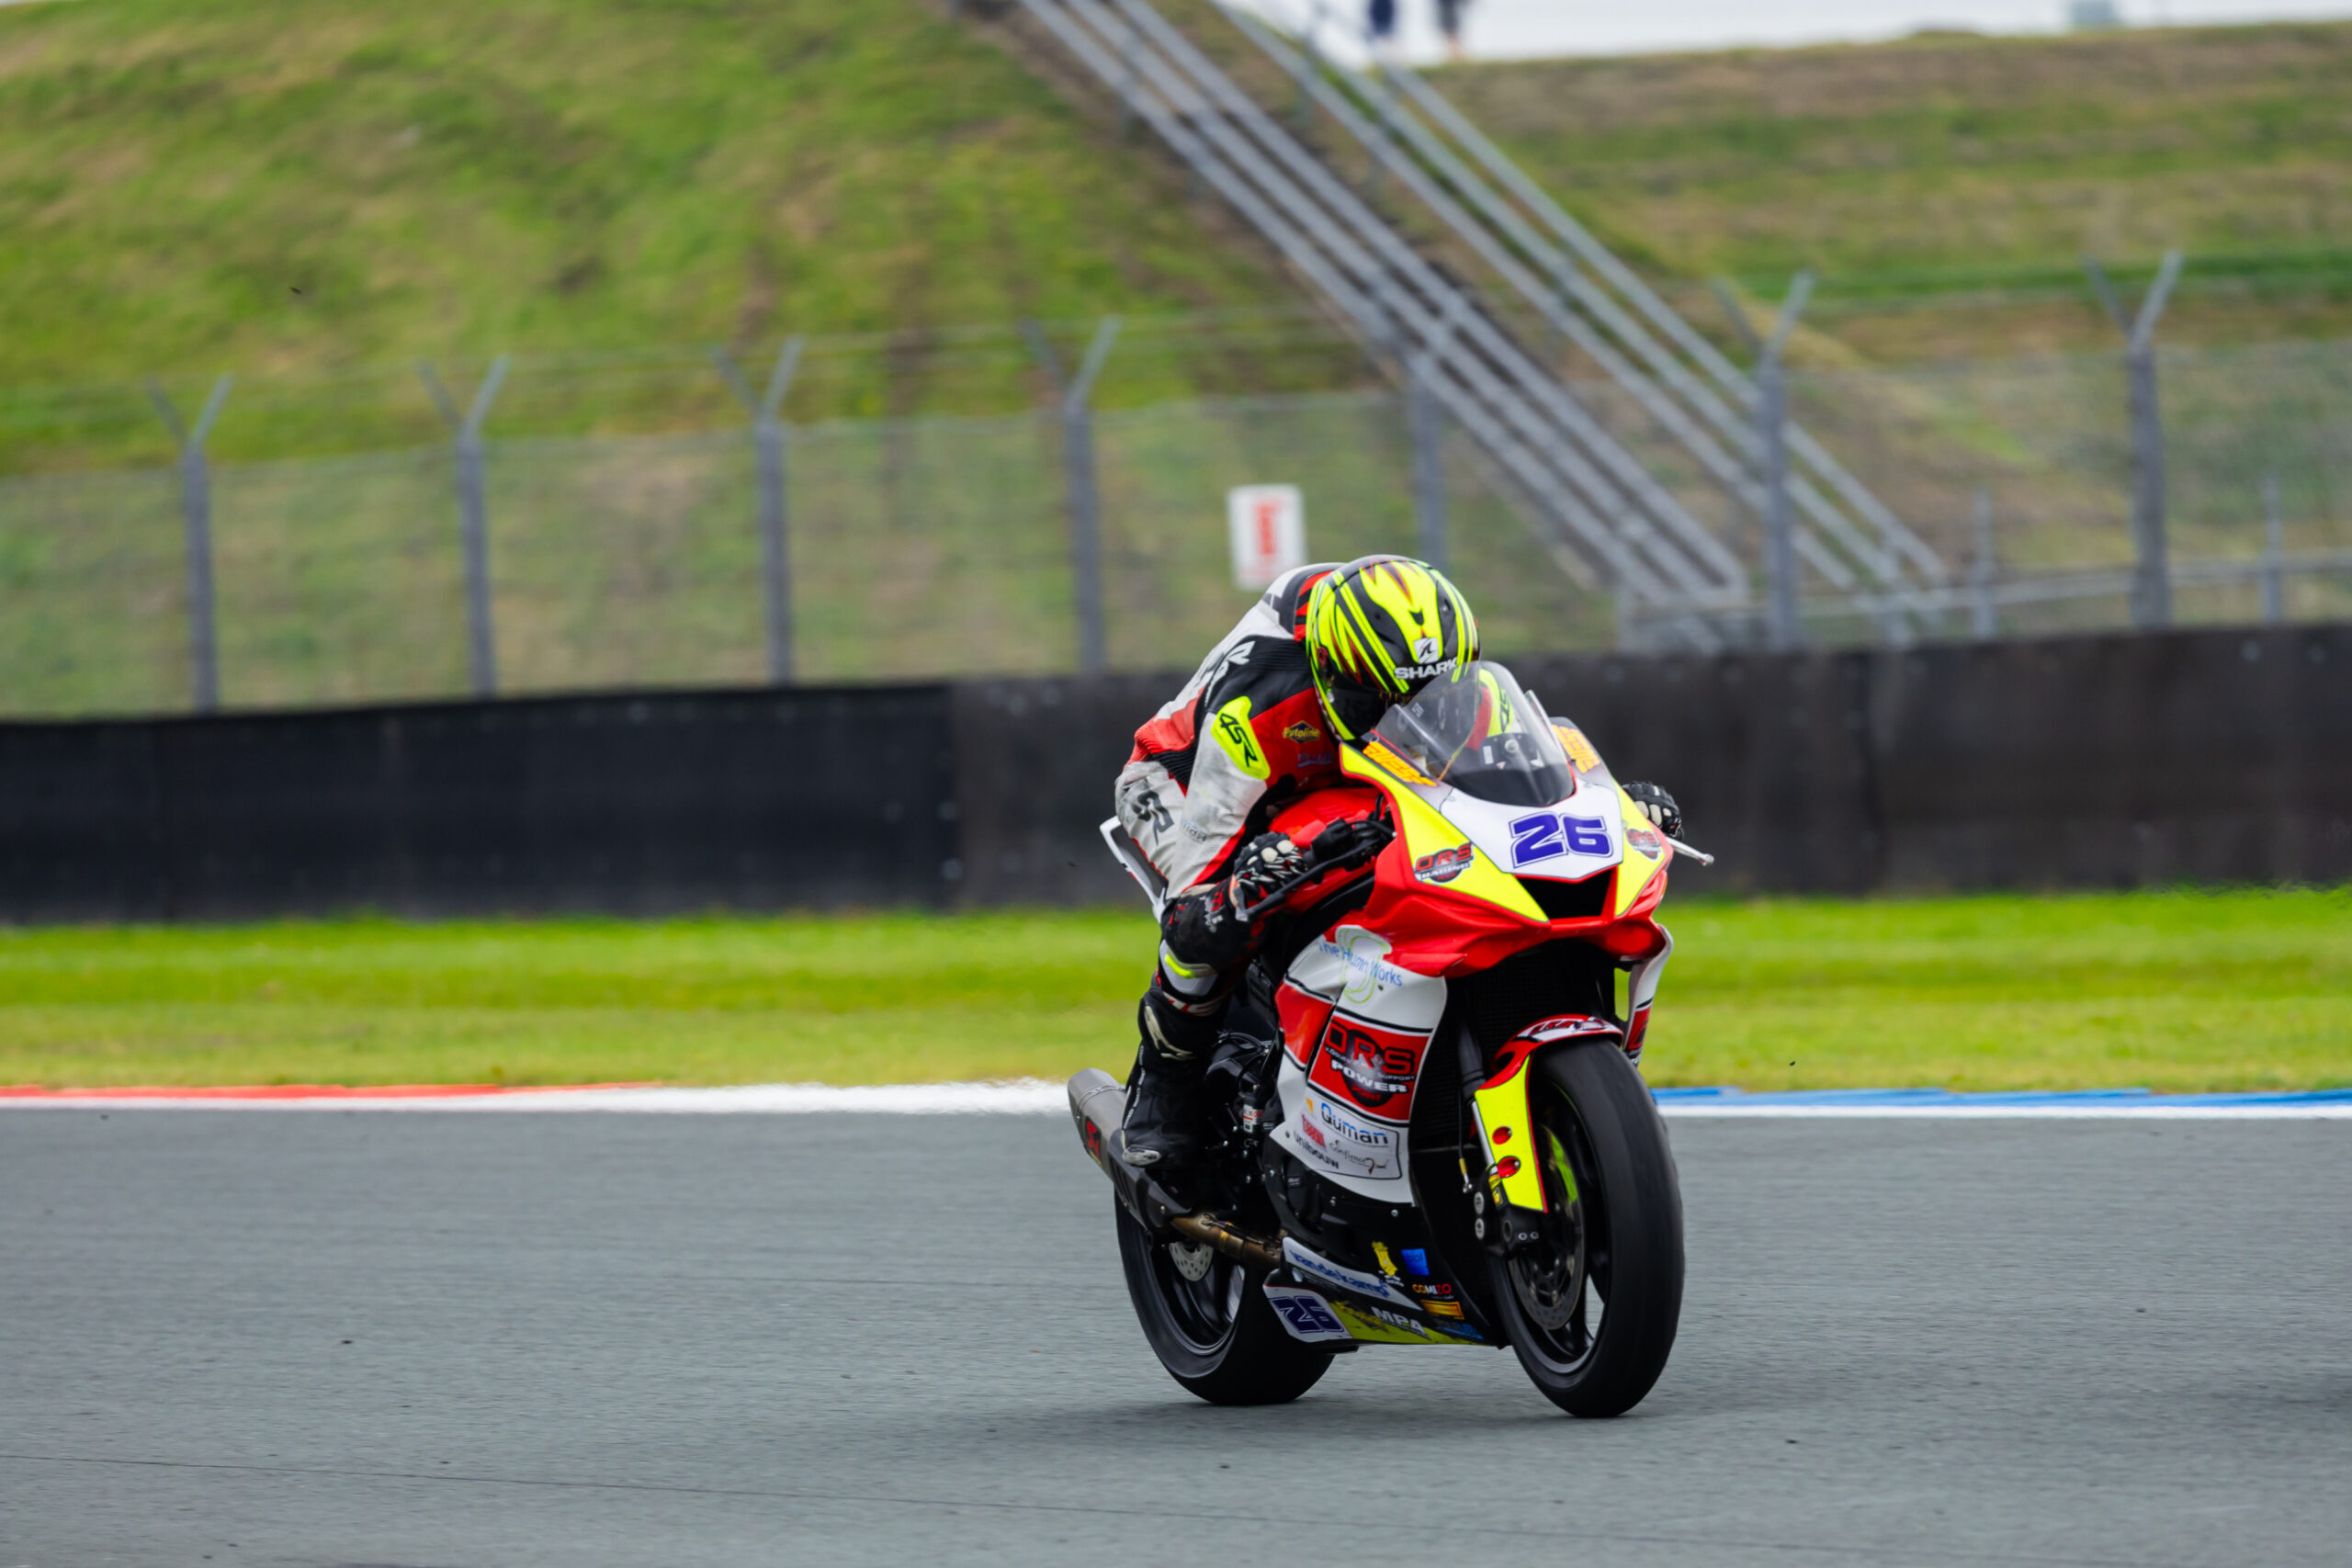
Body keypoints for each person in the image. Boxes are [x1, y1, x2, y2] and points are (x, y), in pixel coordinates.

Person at [1110, 555, 1682, 1169]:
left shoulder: (1463, 688)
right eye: (1379, 701)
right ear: (1331, 678)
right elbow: (1192, 913)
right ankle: (1164, 1085)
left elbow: (1516, 782)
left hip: (1354, 771)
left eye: (1431, 698)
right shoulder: (1252, 717)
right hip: (1180, 780)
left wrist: (1610, 806)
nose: (1406, 715)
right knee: (1216, 924)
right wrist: (1244, 888)